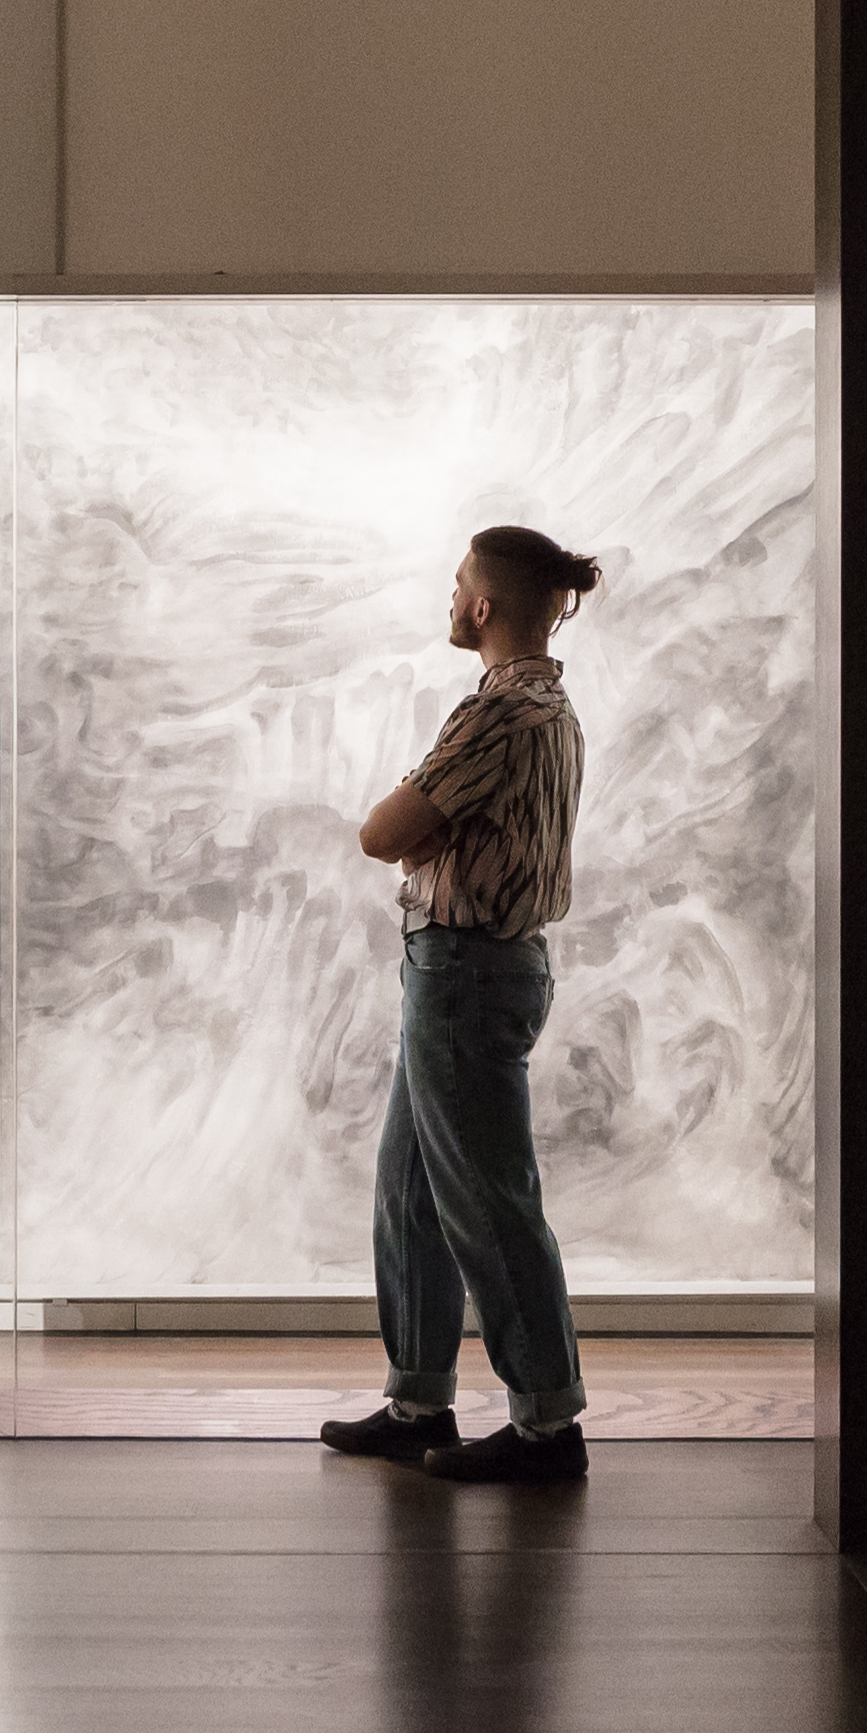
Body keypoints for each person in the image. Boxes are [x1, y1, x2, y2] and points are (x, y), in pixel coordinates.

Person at [320, 525, 602, 1483]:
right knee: (410, 1192)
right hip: (472, 968)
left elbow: (381, 833)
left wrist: (409, 799)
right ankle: (416, 1401)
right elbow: (414, 836)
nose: (448, 600)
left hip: (465, 973)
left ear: (482, 604)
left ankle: (546, 1427)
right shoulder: (546, 707)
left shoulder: (496, 715)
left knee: (488, 1201)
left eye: (456, 587)